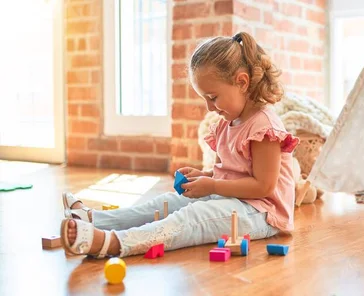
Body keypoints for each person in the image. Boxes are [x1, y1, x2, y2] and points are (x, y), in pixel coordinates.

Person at [59, 32, 298, 258]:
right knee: (166, 203)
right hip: (232, 199)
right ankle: (94, 219)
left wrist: (212, 185)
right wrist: (204, 177)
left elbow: (263, 187)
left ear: (242, 82)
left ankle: (115, 243)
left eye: (213, 97)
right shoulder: (227, 122)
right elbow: (228, 173)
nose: (209, 107)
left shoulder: (264, 127)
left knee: (193, 215)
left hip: (262, 214)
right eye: (204, 99)